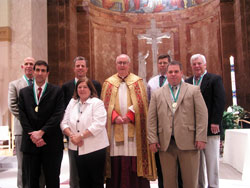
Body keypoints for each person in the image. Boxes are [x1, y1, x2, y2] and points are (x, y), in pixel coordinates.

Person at [147, 61, 208, 188]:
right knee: (169, 182)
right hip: (166, 143)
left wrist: (201, 137)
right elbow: (151, 118)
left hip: (189, 142)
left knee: (190, 181)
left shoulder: (193, 90)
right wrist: (152, 139)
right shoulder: (157, 94)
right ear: (166, 74)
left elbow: (202, 115)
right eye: (170, 72)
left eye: (176, 72)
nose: (173, 74)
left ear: (182, 73)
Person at [101, 54, 156, 188]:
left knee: (133, 154)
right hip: (115, 129)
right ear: (116, 65)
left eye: (124, 63)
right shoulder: (109, 83)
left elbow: (142, 104)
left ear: (129, 65)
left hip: (134, 129)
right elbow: (105, 105)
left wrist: (130, 115)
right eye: (119, 63)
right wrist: (114, 116)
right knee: (116, 157)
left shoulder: (137, 82)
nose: (122, 65)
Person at [18, 60, 65, 188]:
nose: (40, 73)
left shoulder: (57, 91)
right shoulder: (24, 92)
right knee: (31, 181)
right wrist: (34, 136)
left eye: (43, 71)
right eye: (37, 70)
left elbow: (58, 114)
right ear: (32, 72)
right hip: (31, 143)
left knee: (53, 180)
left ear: (47, 73)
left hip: (51, 143)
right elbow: (23, 117)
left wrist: (41, 132)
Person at [61, 56, 102, 188]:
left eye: (82, 66)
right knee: (78, 176)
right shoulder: (70, 97)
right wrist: (73, 136)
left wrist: (81, 136)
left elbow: (98, 123)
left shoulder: (97, 101)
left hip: (93, 143)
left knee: (94, 179)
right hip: (75, 143)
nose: (82, 89)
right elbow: (64, 120)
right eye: (77, 66)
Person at [186, 54, 225, 188]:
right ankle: (200, 185)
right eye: (194, 64)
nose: (197, 66)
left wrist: (215, 121)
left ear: (205, 65)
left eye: (199, 63)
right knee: (197, 162)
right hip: (193, 129)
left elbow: (219, 101)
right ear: (191, 66)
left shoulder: (214, 79)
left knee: (212, 161)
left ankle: (213, 185)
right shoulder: (187, 81)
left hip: (210, 128)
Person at [8, 57, 35, 188]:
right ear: (22, 67)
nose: (29, 66)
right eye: (26, 64)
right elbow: (12, 106)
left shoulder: (40, 84)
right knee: (22, 165)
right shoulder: (15, 85)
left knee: (37, 165)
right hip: (22, 130)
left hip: (38, 131)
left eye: (31, 64)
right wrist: (28, 121)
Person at [146, 54, 170, 188]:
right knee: (160, 162)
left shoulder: (177, 79)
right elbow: (149, 105)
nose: (162, 65)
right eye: (160, 63)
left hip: (172, 126)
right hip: (158, 126)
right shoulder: (152, 82)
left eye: (165, 63)